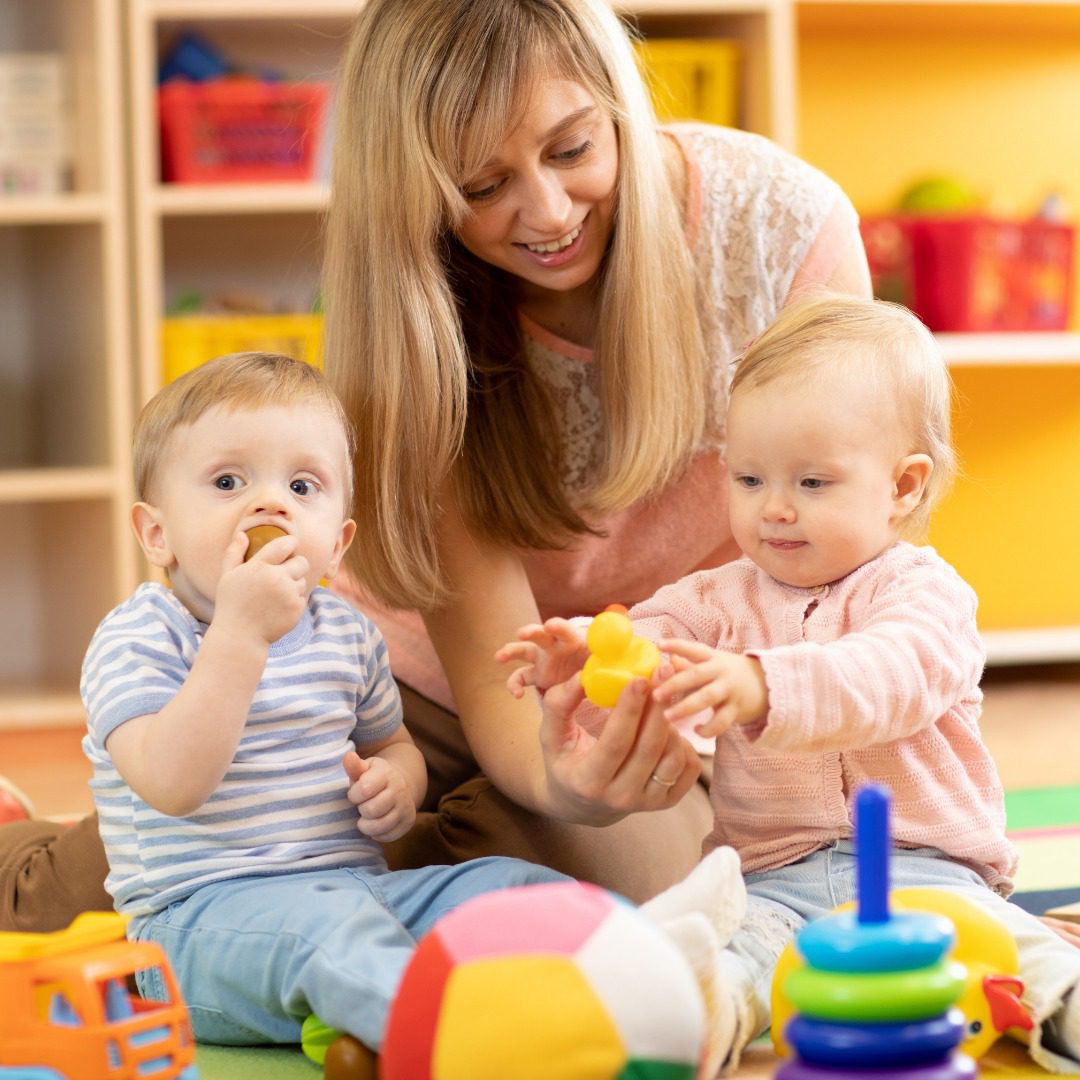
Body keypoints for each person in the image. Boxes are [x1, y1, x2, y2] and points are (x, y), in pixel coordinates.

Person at [0, 0, 871, 931]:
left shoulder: (780, 227)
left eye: (573, 148)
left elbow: (855, 562)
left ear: (618, 103)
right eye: (483, 185)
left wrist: (598, 781)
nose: (548, 211)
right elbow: (497, 684)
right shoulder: (419, 312)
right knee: (146, 880)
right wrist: (546, 777)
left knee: (634, 889)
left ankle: (369, 878)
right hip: (415, 682)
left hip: (672, 691)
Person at [497, 294, 1080, 1075]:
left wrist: (763, 685)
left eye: (811, 483)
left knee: (1014, 953)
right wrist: (592, 660)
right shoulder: (714, 598)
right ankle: (691, 1021)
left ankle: (1065, 1004)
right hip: (773, 882)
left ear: (903, 487)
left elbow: (888, 676)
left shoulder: (925, 595)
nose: (773, 509)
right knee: (730, 958)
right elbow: (651, 651)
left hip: (929, 878)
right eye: (749, 478)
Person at [77, 352, 566, 1052]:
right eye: (228, 481)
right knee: (329, 939)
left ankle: (652, 969)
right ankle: (464, 1039)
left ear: (337, 547)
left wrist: (399, 783)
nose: (271, 504)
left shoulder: (345, 632)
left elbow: (391, 744)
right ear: (158, 534)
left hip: (356, 894)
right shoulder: (141, 637)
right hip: (194, 928)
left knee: (510, 886)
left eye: (303, 485)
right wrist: (240, 634)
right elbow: (172, 784)